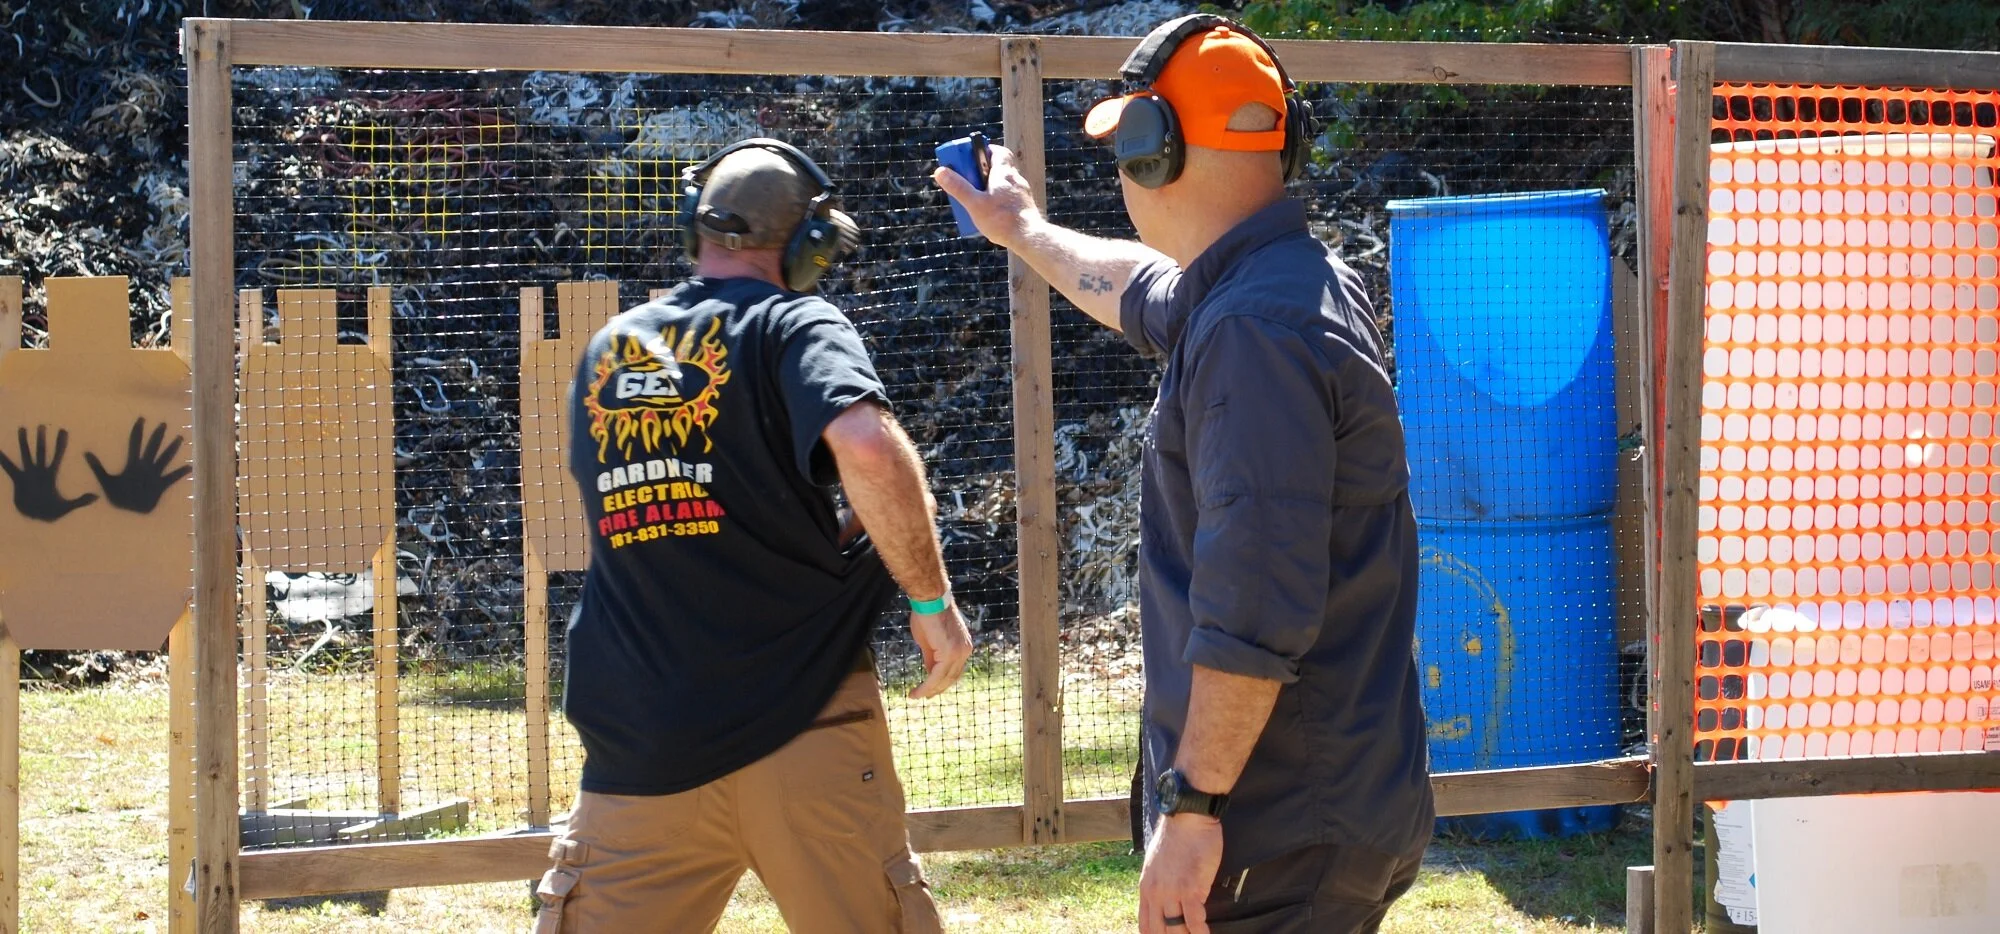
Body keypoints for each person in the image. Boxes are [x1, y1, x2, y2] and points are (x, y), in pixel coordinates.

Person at [933, 15, 1433, 934]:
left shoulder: (1253, 334)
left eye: (1126, 140)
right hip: (1323, 806)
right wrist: (1023, 230)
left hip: (1276, 822)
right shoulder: (1282, 281)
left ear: (1155, 150)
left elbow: (1255, 604)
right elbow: (1133, 286)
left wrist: (1197, 810)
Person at [535, 138, 974, 934]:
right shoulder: (795, 321)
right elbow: (868, 447)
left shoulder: (611, 349)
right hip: (801, 723)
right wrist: (929, 600)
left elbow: (667, 513)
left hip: (643, 737)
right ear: (809, 243)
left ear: (693, 224)